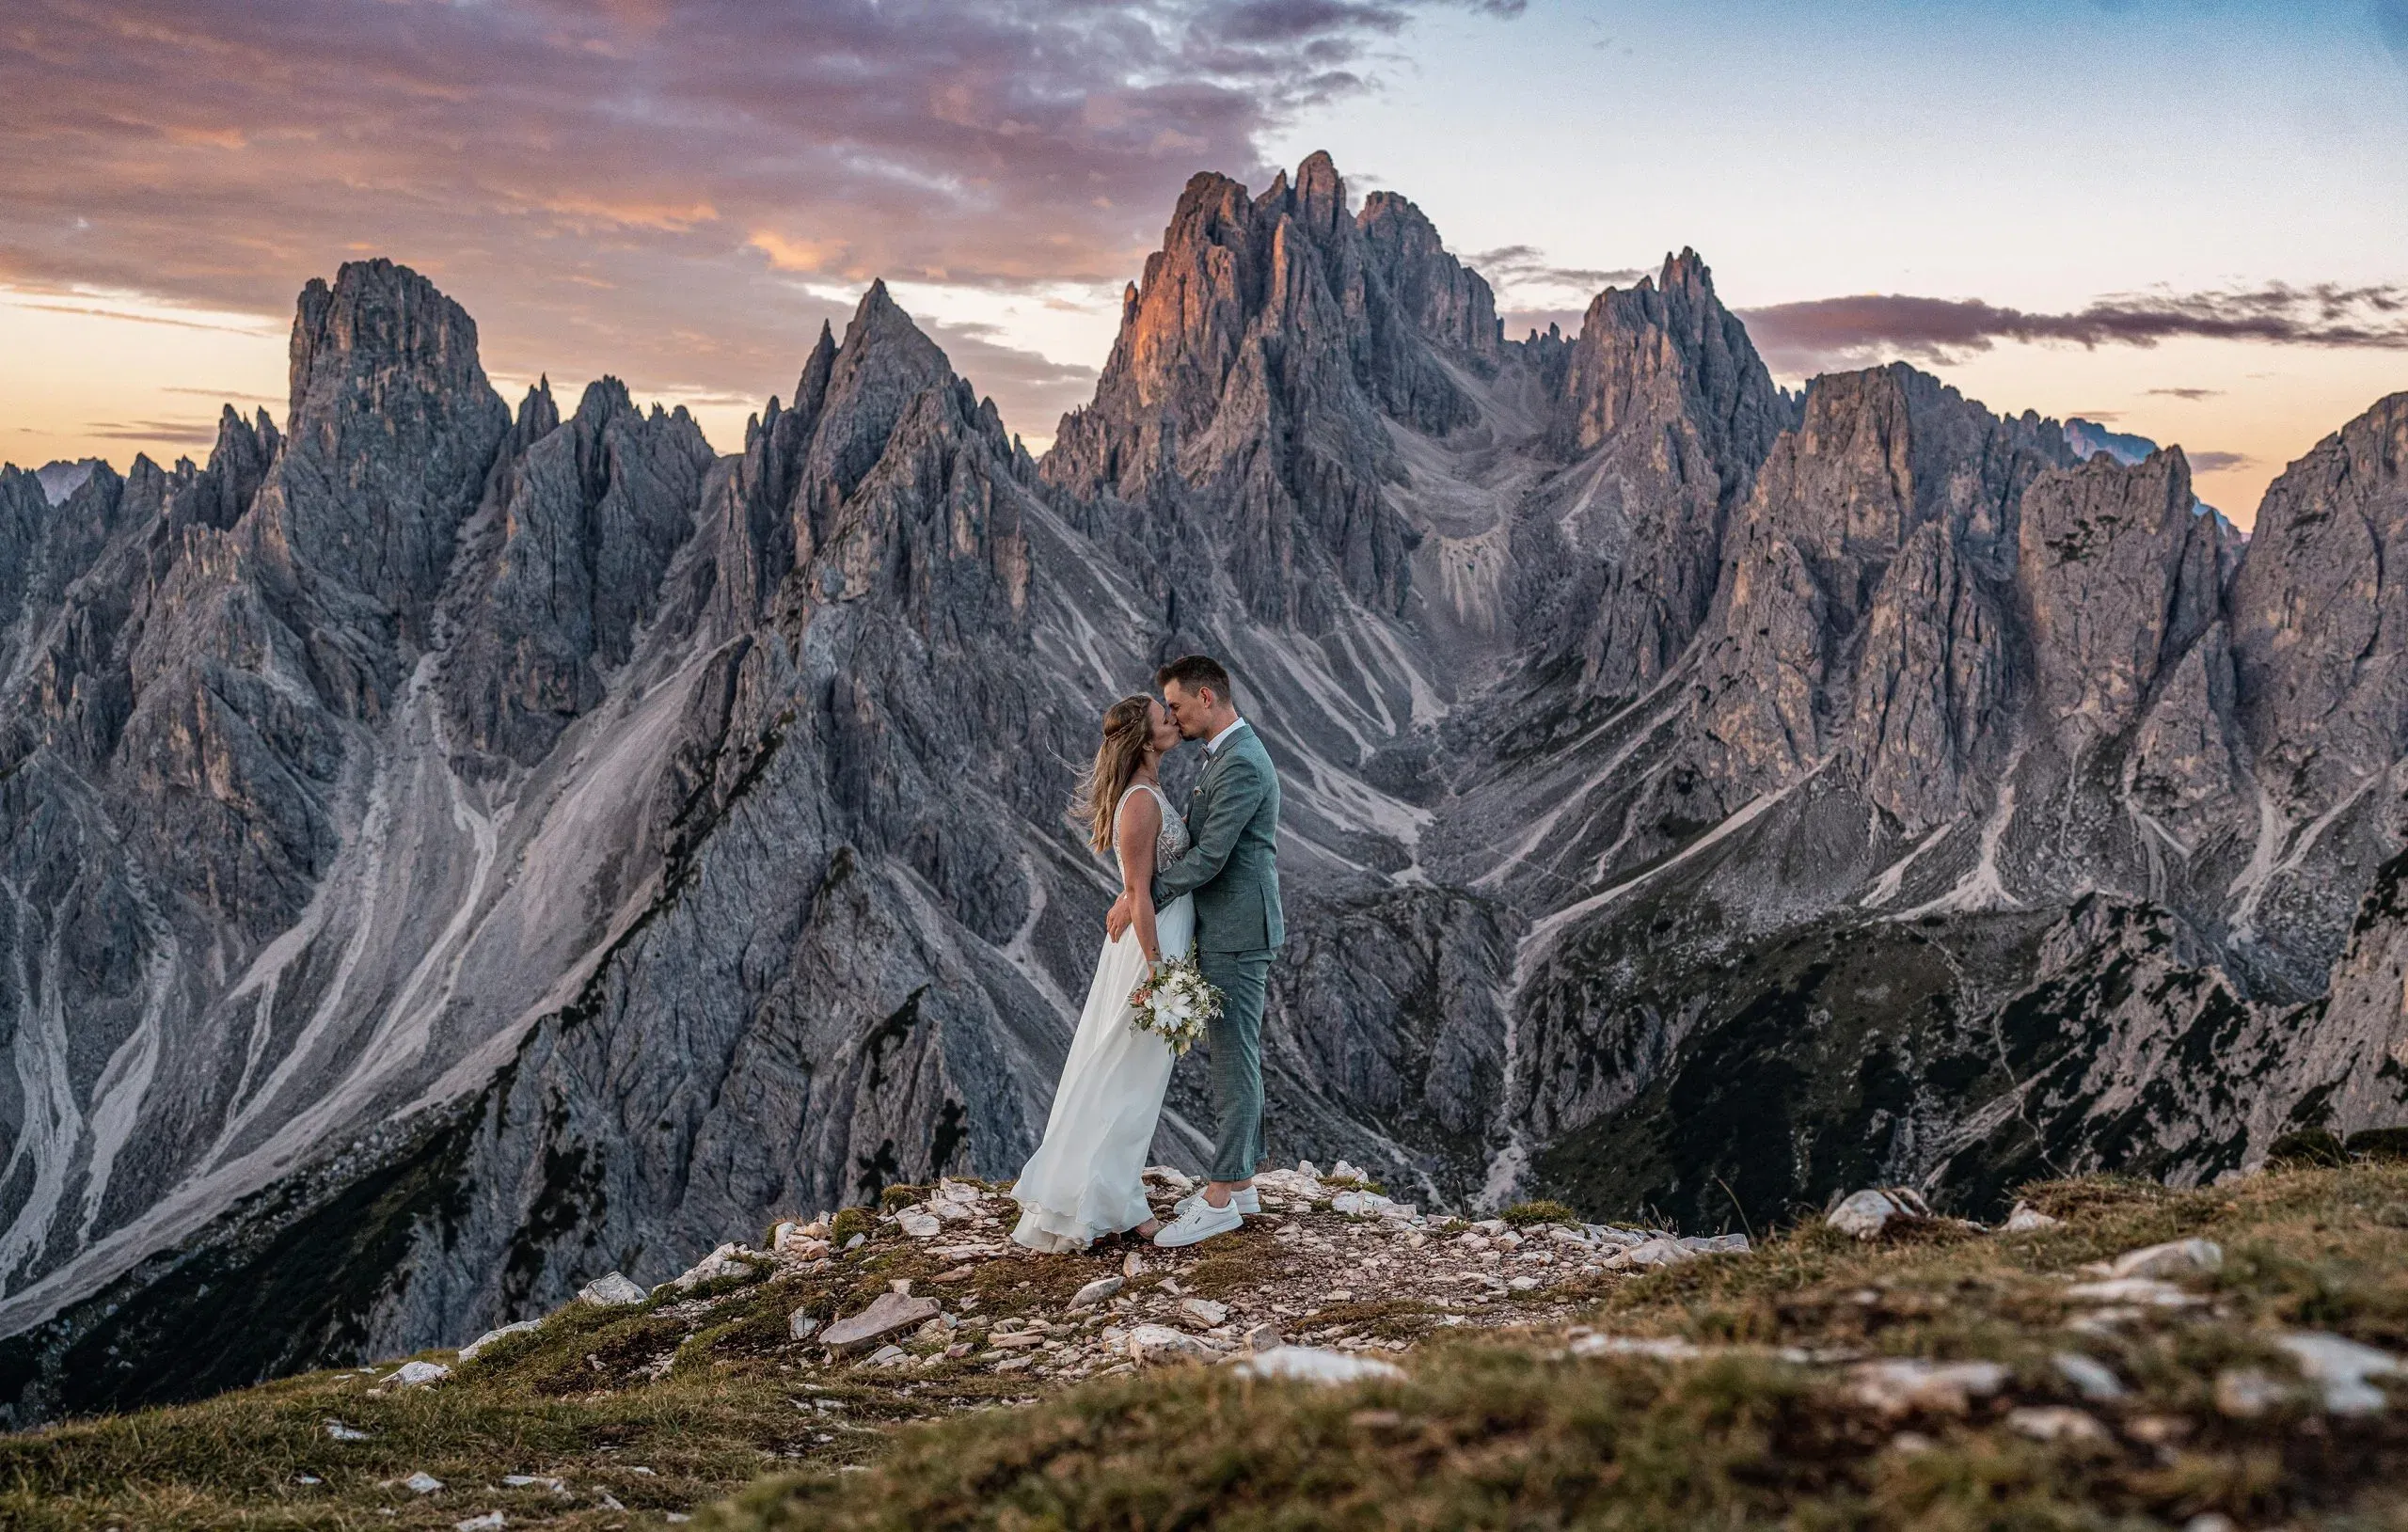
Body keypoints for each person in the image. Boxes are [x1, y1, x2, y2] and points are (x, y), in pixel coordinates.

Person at [1107, 654, 1284, 1248]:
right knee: (1236, 1051)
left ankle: (1223, 1191)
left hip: (1238, 930)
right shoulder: (1226, 756)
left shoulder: (1240, 764)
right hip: (1229, 926)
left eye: (1177, 706)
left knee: (1233, 1056)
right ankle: (1243, 1184)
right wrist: (1132, 892)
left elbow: (1209, 858)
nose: (1174, 719)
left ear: (1207, 699)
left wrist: (1143, 896)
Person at [1008, 694, 1193, 1251]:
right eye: (1165, 719)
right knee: (1127, 1076)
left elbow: (1141, 878)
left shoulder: (1149, 793)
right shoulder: (1139, 802)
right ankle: (1115, 1202)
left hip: (1160, 941)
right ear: (1143, 738)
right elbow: (1139, 893)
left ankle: (1113, 1190)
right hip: (1149, 951)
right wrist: (1159, 971)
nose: (1174, 722)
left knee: (1138, 1076)